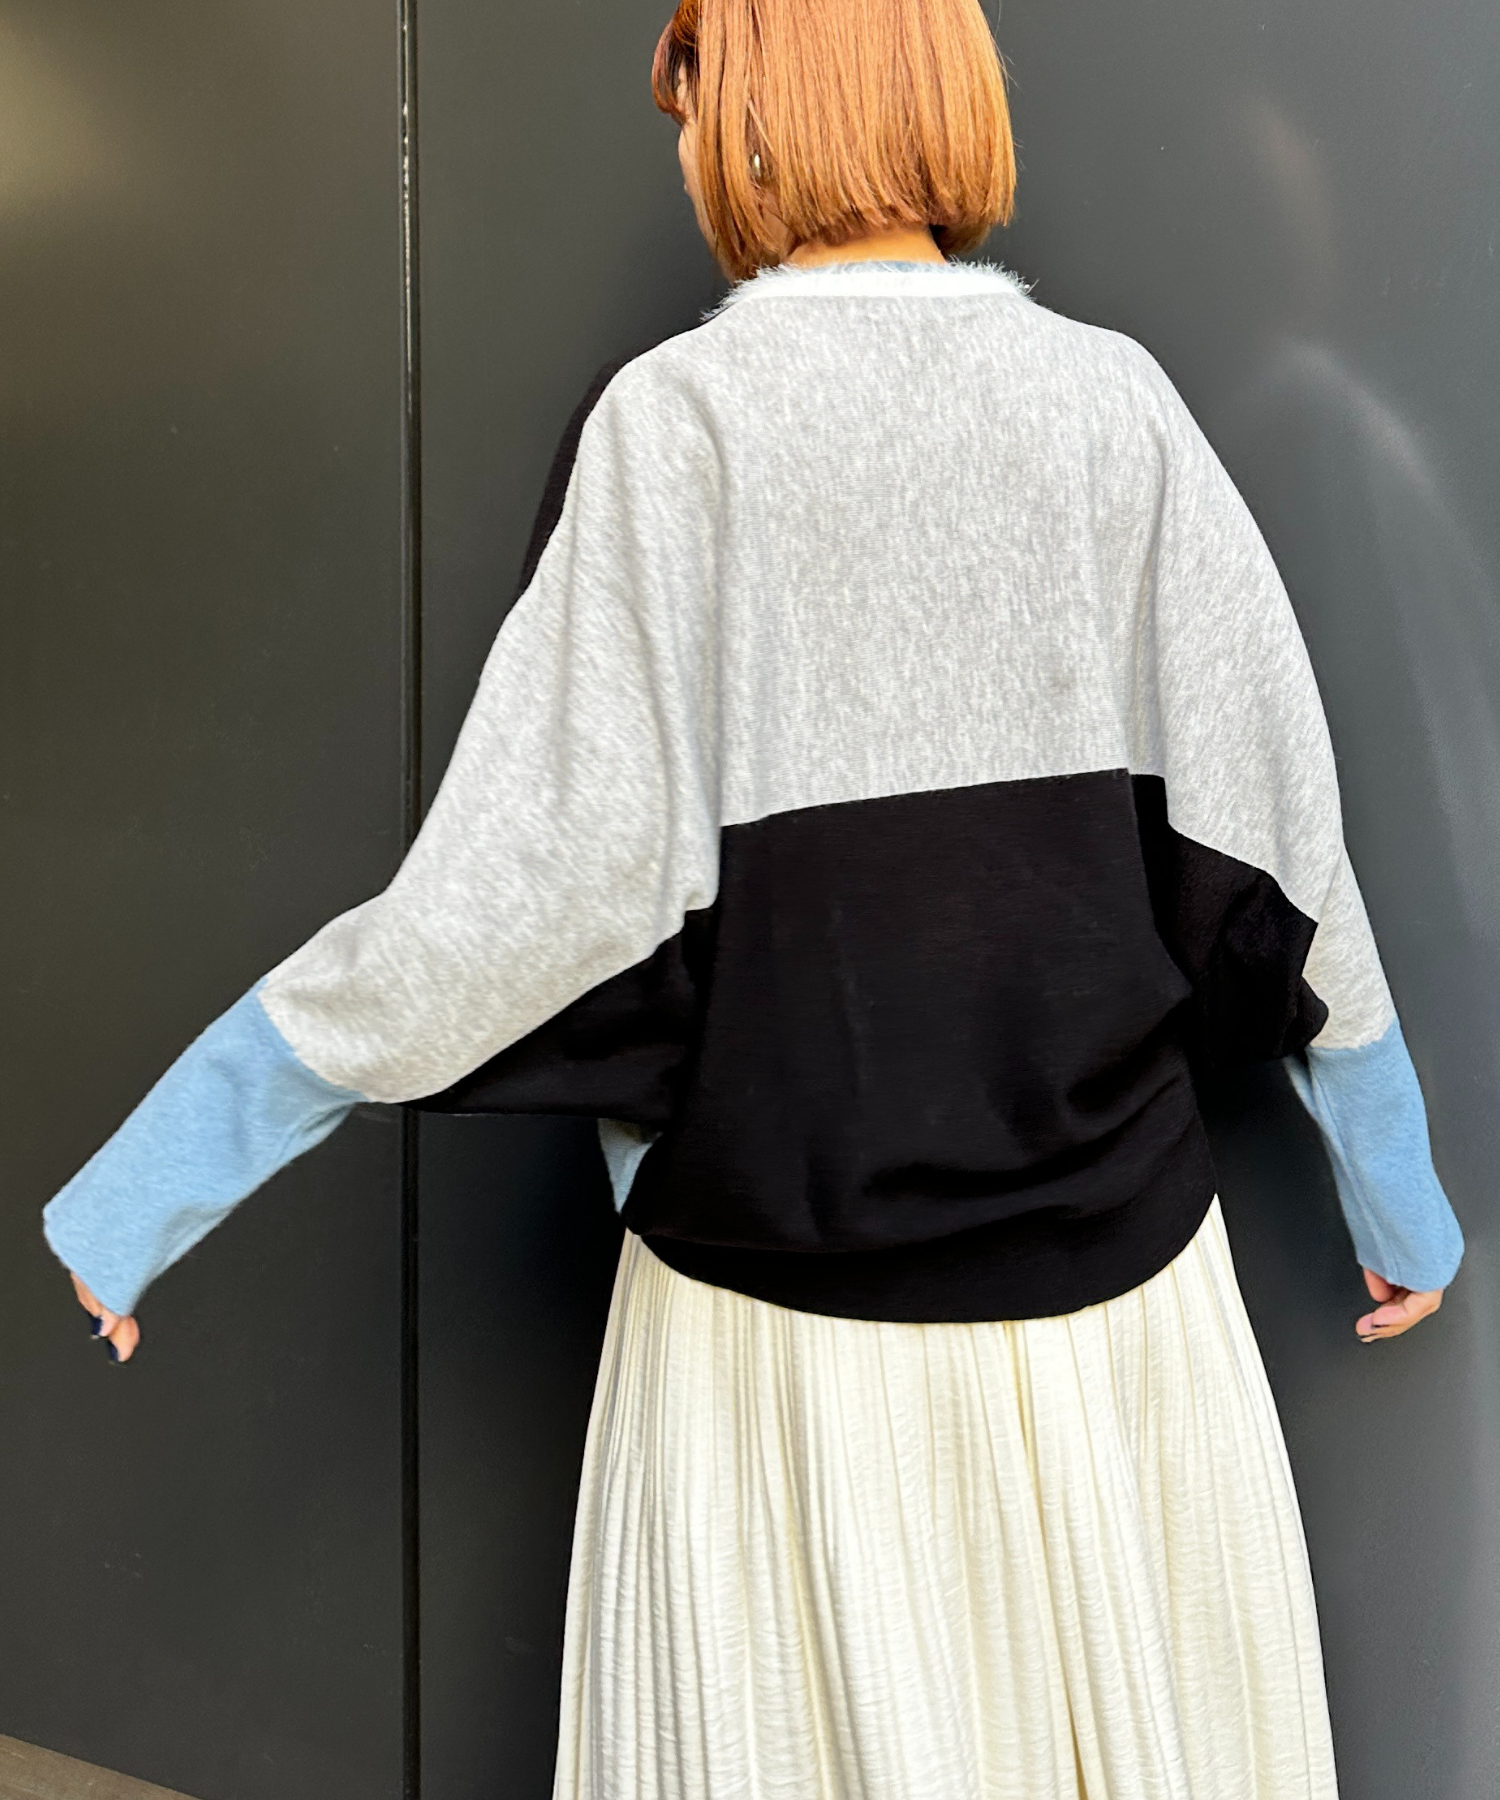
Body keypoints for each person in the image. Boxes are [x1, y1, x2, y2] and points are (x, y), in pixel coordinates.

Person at [44, 0, 1464, 1793]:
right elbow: (1280, 844)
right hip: (1118, 1327)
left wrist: (161, 1174)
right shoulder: (1118, 402)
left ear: (762, 113)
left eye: (694, 91)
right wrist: (1398, 1192)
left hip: (777, 1351)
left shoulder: (679, 426)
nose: (684, 138)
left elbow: (521, 895)